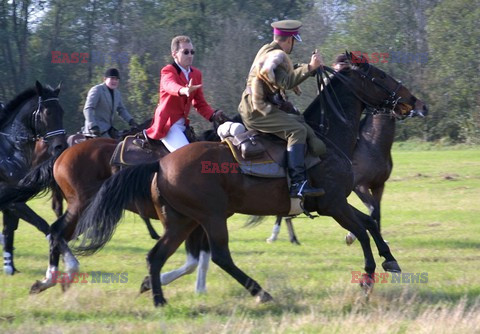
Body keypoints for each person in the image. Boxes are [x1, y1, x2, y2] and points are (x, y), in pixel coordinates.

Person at [238, 19, 325, 198]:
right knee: (297, 131)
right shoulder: (274, 55)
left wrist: (309, 69)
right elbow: (285, 82)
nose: (293, 45)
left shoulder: (268, 50)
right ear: (288, 40)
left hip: (255, 107)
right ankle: (298, 184)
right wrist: (310, 67)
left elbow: (285, 72)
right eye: (294, 40)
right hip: (257, 111)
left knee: (298, 120)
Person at [143, 35, 227, 152]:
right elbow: (169, 85)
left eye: (192, 52)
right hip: (168, 125)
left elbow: (200, 103)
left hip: (184, 125)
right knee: (188, 156)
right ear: (174, 54)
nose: (190, 55)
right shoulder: (168, 70)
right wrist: (183, 90)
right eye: (185, 52)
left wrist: (213, 115)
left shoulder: (196, 74)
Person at [82, 68, 138, 138]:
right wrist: (93, 125)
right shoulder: (97, 90)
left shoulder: (117, 93)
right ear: (105, 79)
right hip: (95, 130)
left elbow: (121, 110)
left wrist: (131, 121)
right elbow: (88, 109)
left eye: (116, 79)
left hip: (107, 128)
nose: (114, 81)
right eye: (112, 78)